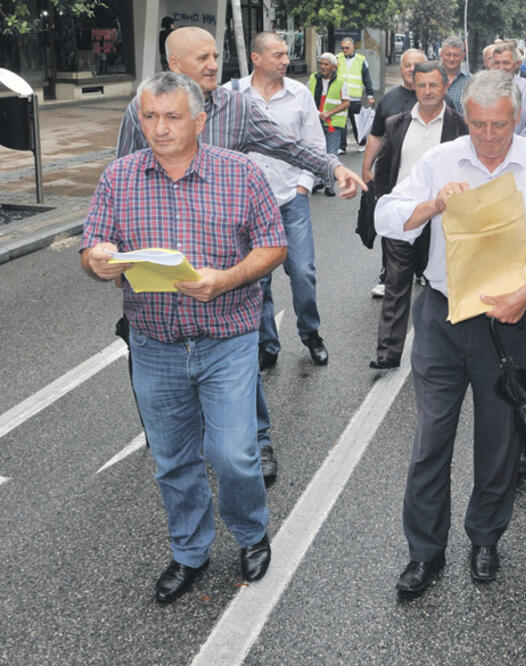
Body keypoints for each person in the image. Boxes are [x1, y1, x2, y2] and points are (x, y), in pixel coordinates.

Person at [116, 26, 365, 488]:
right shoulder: (145, 110)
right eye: (202, 58)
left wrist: (332, 166)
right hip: (163, 268)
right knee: (165, 360)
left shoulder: (236, 108)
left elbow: (288, 146)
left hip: (226, 268)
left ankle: (258, 441)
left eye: (216, 55)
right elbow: (121, 180)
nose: (214, 65)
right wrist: (116, 255)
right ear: (175, 66)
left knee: (235, 352)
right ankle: (179, 443)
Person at [375, 70, 526, 596]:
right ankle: (425, 553)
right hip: (443, 317)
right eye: (478, 124)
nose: (489, 135)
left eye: (500, 124)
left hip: (510, 322)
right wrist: (431, 205)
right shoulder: (441, 160)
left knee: (498, 442)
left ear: (518, 118)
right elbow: (387, 215)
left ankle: (486, 537)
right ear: (464, 117)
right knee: (430, 442)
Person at [81, 72, 287, 604]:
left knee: (234, 454)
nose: (160, 127)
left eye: (172, 116)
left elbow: (272, 247)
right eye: (149, 116)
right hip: (154, 344)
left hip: (226, 339)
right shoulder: (119, 178)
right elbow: (93, 247)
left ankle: (250, 534)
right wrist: (99, 261)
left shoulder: (240, 174)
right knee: (172, 458)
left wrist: (225, 279)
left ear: (199, 119)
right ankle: (190, 552)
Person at [225, 31, 330, 372]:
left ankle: (310, 332)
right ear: (256, 58)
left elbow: (314, 145)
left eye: (287, 54)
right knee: (258, 280)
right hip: (248, 207)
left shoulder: (299, 95)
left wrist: (304, 185)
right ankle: (267, 345)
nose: (286, 60)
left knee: (303, 272)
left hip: (290, 200)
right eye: (278, 55)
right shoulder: (232, 95)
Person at [369, 62, 468, 370]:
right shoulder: (397, 123)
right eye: (421, 84)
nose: (427, 91)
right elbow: (385, 167)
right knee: (396, 286)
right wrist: (381, 202)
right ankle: (388, 352)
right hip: (405, 217)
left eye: (433, 85)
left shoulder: (460, 126)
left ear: (444, 88)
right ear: (413, 85)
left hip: (442, 220)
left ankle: (445, 353)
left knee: (442, 287)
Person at [362, 48, 429, 299]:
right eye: (408, 65)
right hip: (392, 177)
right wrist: (366, 167)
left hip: (426, 180)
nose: (412, 70)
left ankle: (423, 269)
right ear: (401, 68)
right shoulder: (388, 100)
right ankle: (387, 275)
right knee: (391, 226)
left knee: (426, 226)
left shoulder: (435, 98)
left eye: (417, 65)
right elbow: (376, 135)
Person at [491, 42, 526, 137]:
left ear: (517, 64)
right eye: (497, 63)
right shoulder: (483, 88)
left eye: (506, 63)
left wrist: (516, 144)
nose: (501, 68)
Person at [337, 37, 376, 152]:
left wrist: (370, 96)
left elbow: (366, 79)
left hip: (354, 97)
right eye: (343, 48)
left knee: (357, 122)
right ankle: (341, 147)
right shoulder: (337, 58)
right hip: (341, 97)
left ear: (353, 47)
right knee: (341, 122)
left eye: (347, 48)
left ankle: (361, 143)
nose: (344, 50)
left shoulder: (361, 60)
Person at [310, 52, 349, 164]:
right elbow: (307, 98)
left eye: (326, 64)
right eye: (321, 64)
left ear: (333, 67)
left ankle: (329, 181)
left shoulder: (341, 81)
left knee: (331, 155)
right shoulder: (313, 78)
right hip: (316, 121)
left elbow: (346, 103)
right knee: (317, 154)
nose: (322, 67)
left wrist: (328, 113)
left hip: (333, 124)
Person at [440, 36, 469, 114]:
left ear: (463, 56)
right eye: (448, 55)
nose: (451, 59)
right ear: (441, 54)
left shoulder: (471, 82)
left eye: (456, 55)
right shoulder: (431, 77)